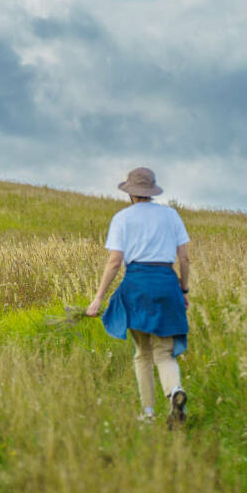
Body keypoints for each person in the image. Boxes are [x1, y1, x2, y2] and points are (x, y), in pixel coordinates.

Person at [84, 167, 191, 428]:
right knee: (164, 353)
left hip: (137, 286)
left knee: (143, 353)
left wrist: (98, 297)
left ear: (131, 193)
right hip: (167, 284)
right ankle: (175, 390)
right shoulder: (171, 215)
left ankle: (148, 412)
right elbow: (185, 258)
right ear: (152, 192)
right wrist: (183, 290)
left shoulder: (122, 218)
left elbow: (114, 262)